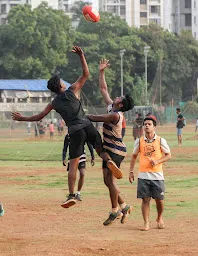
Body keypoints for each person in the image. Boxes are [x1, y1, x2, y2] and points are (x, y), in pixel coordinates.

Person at [12, 46, 122, 209]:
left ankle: (72, 195)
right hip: (87, 125)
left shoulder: (54, 103)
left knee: (74, 164)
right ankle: (109, 161)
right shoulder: (72, 90)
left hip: (75, 131)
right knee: (100, 150)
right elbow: (86, 74)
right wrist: (81, 56)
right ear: (61, 85)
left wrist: (22, 119)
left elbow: (39, 117)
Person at [87, 59, 134, 226]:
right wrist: (101, 72)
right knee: (108, 181)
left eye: (119, 97)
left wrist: (81, 116)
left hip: (117, 150)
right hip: (109, 148)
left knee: (110, 180)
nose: (116, 96)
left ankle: (115, 211)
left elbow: (98, 118)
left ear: (120, 104)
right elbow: (103, 88)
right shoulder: (111, 107)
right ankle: (124, 206)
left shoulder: (115, 115)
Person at [129, 116, 171, 231]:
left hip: (157, 175)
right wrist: (131, 171)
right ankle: (146, 223)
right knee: (145, 200)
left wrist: (157, 161)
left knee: (159, 200)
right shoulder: (139, 141)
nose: (146, 126)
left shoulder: (161, 141)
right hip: (143, 175)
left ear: (154, 127)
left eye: (149, 124)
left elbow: (168, 155)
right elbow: (133, 157)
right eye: (145, 124)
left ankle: (159, 218)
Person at [62, 133, 95, 201]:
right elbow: (65, 148)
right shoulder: (68, 136)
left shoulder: (83, 134)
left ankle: (78, 193)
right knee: (72, 175)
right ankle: (71, 194)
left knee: (82, 174)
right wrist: (64, 158)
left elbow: (89, 145)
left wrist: (92, 156)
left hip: (82, 156)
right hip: (72, 157)